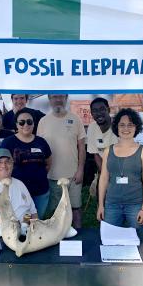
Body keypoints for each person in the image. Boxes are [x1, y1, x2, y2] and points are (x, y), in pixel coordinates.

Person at [97, 109, 143, 240]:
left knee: (140, 241)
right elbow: (104, 179)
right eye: (122, 125)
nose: (126, 128)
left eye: (130, 125)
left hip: (135, 205)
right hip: (112, 204)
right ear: (116, 127)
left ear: (136, 127)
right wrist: (101, 205)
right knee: (108, 240)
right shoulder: (108, 151)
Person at [37, 94, 86, 228]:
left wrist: (80, 170)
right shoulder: (43, 122)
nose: (57, 100)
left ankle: (78, 238)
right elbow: (39, 149)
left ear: (66, 98)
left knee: (76, 209)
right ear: (49, 99)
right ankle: (57, 240)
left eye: (60, 97)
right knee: (55, 212)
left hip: (73, 176)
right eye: (54, 97)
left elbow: (82, 147)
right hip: (52, 177)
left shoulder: (76, 119)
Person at [0, 108, 52, 218]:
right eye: (22, 122)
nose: (26, 125)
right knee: (18, 222)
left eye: (29, 122)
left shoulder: (41, 142)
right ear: (16, 125)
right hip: (16, 193)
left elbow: (48, 162)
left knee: (36, 223)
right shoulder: (7, 142)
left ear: (33, 124)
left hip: (40, 192)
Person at [87, 97, 118, 172]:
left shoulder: (119, 125)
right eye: (95, 111)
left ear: (108, 110)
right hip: (104, 169)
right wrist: (103, 174)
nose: (98, 113)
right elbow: (96, 154)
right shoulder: (92, 127)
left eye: (102, 109)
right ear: (91, 114)